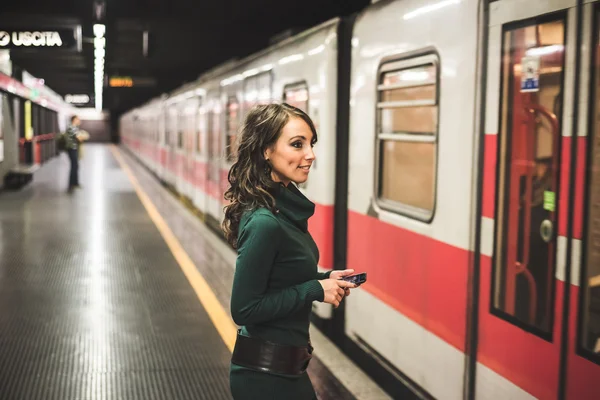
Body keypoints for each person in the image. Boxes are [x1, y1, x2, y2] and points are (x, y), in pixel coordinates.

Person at [223, 103, 357, 400]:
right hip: (265, 378)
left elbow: (282, 277)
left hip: (284, 370)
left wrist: (326, 279)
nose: (310, 154)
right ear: (266, 150)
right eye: (297, 144)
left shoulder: (281, 210)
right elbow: (244, 309)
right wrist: (313, 289)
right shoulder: (264, 222)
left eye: (311, 144)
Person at [64, 116, 86, 192]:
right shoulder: (72, 127)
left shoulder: (74, 127)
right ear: (74, 120)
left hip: (74, 148)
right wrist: (84, 136)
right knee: (74, 166)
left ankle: (75, 183)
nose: (79, 120)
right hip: (72, 149)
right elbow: (80, 138)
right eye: (78, 119)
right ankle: (71, 185)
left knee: (75, 165)